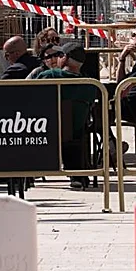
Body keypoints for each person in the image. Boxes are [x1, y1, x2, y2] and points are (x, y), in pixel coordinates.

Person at [35, 42, 96, 190]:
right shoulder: (89, 85)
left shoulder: (48, 77)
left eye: (59, 55)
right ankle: (78, 175)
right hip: (76, 134)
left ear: (65, 58)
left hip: (45, 130)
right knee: (74, 131)